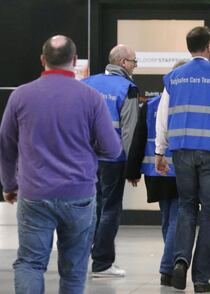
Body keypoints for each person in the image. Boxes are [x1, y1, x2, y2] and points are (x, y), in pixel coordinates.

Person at [0, 35, 121, 294]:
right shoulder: (91, 98)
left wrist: (9, 184)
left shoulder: (21, 96)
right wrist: (87, 150)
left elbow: (6, 146)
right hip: (79, 195)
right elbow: (112, 149)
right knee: (74, 269)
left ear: (43, 60)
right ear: (75, 61)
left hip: (34, 195)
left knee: (30, 263)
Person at [155, 26, 210, 293]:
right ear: (208, 46)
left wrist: (160, 151)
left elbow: (163, 116)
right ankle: (201, 278)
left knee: (186, 207)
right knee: (208, 212)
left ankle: (180, 259)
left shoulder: (174, 76)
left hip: (182, 151)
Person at [125, 60, 186, 287]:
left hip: (155, 171)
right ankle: (167, 267)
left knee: (167, 217)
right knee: (176, 219)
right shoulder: (183, 105)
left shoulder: (150, 105)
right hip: (180, 170)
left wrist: (133, 170)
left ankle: (168, 267)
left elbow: (138, 139)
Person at [82, 44, 140, 277]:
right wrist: (130, 166)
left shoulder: (86, 84)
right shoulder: (128, 88)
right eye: (134, 62)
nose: (135, 66)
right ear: (124, 63)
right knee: (110, 208)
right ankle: (102, 263)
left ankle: (79, 258)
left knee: (88, 207)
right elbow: (130, 131)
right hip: (113, 159)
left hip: (85, 158)